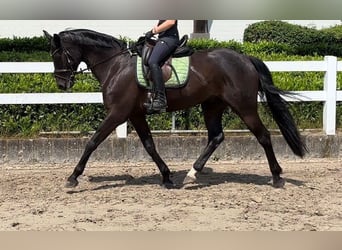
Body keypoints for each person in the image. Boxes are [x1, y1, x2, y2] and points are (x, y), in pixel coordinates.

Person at [143, 20, 179, 113]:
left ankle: (161, 99)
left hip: (169, 39)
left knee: (153, 61)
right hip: (162, 39)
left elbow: (171, 22)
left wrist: (153, 31)